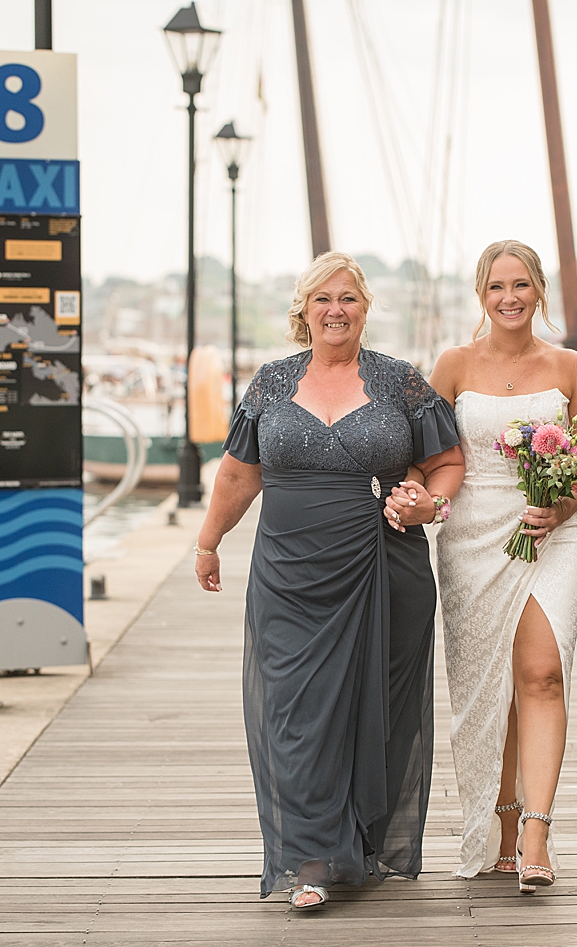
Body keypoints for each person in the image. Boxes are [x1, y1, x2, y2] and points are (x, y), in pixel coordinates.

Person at [195, 251, 464, 909]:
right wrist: (209, 539)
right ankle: (311, 857)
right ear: (304, 310)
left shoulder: (401, 382)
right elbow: (236, 475)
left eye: (347, 298)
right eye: (323, 299)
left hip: (384, 565)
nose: (336, 309)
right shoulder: (269, 384)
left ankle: (356, 843)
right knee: (298, 711)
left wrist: (428, 501)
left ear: (365, 308)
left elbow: (447, 459)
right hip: (288, 573)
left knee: (374, 711)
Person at [427, 240, 577, 892]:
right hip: (472, 539)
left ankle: (536, 831)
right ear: (482, 293)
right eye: (498, 285)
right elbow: (425, 454)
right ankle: (496, 824)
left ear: (539, 291)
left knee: (542, 672)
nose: (510, 296)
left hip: (553, 531)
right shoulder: (451, 366)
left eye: (522, 284)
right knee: (486, 690)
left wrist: (562, 505)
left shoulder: (568, 366)